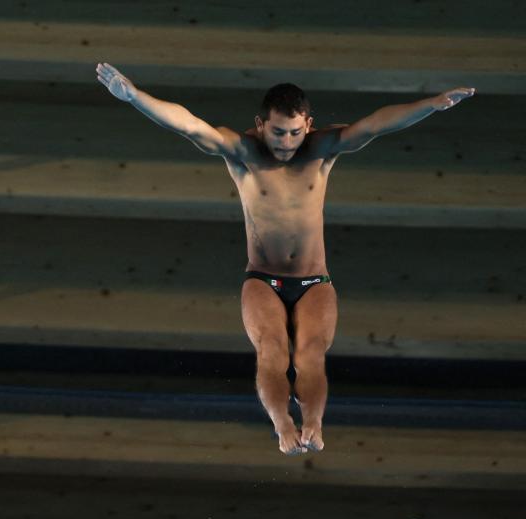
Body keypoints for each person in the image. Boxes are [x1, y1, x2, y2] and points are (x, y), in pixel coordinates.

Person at [95, 62, 474, 455]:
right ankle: (281, 425)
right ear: (260, 124)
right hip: (262, 279)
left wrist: (431, 104)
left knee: (311, 353)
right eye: (277, 132)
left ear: (308, 125)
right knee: (272, 349)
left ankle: (314, 424)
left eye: (295, 132)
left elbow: (377, 124)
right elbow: (189, 125)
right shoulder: (242, 152)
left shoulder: (323, 149)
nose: (286, 142)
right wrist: (135, 98)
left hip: (314, 281)